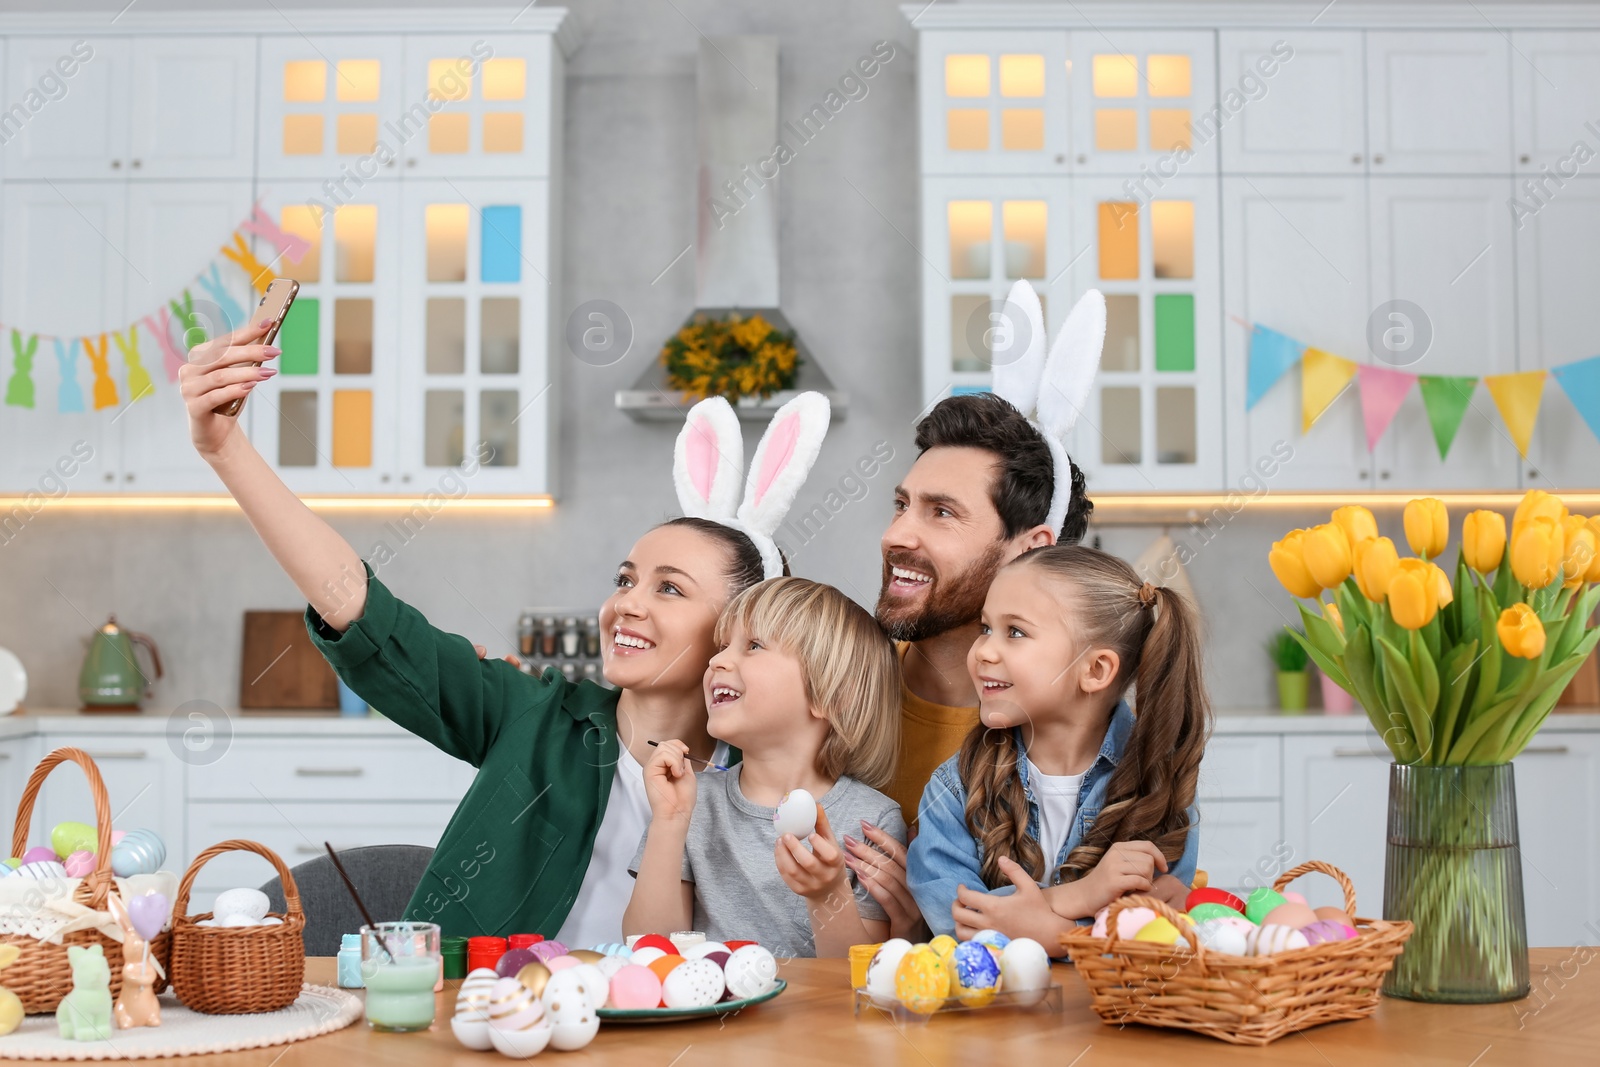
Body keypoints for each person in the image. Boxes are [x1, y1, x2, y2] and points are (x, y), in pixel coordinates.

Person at [179, 322, 831, 946]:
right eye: (625, 578)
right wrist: (224, 449)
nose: (625, 603)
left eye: (669, 587)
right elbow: (365, 614)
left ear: (740, 629)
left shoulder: (768, 781)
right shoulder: (532, 714)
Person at [848, 285, 1105, 938]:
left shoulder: (1090, 735)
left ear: (1029, 550)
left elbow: (1137, 932)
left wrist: (922, 927)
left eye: (941, 512)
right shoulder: (835, 691)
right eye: (901, 504)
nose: (897, 534)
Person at [905, 544, 1209, 945]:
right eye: (985, 628)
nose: (982, 651)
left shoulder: (1159, 789)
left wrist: (1058, 933)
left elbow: (1151, 939)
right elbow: (958, 920)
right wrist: (1079, 899)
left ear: (1095, 670)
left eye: (1015, 632)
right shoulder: (953, 788)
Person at [624, 577, 906, 957]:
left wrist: (826, 895)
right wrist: (669, 824)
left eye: (754, 646)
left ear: (834, 696)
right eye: (723, 646)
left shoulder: (873, 821)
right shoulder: (692, 804)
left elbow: (858, 980)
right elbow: (649, 952)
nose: (716, 660)